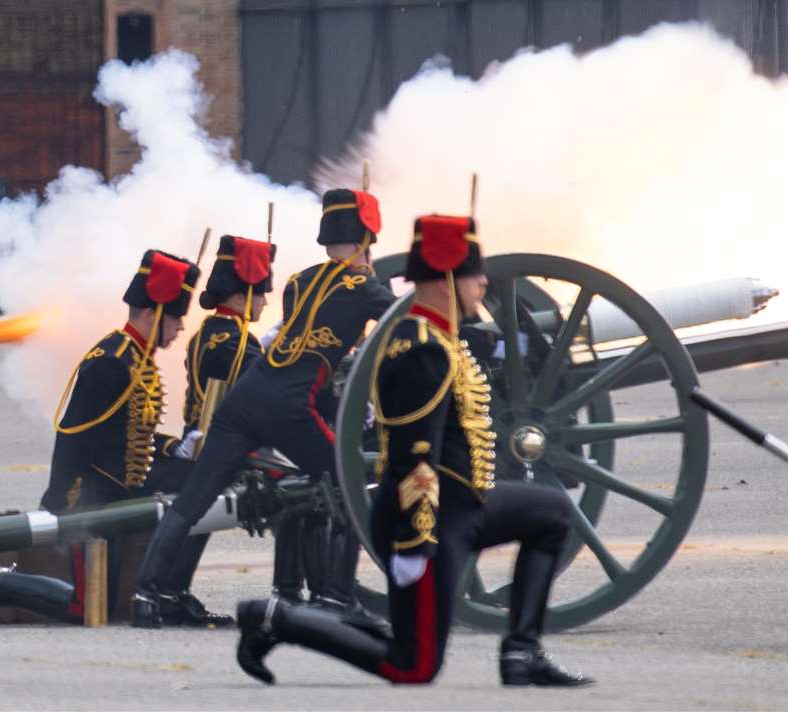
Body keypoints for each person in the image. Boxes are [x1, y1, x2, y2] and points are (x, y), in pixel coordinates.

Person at [232, 214, 593, 688]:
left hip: (465, 506)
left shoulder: (442, 339)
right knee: (413, 666)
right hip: (426, 521)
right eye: (473, 273)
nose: (484, 282)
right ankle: (275, 619)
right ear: (446, 279)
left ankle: (522, 652)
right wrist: (415, 543)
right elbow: (412, 457)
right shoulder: (420, 349)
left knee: (552, 512)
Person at [130, 188, 396, 632]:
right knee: (350, 484)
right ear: (368, 238)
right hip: (289, 407)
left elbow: (302, 349)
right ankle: (336, 596)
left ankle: (146, 594)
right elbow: (405, 325)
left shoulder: (298, 282)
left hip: (244, 401)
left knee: (191, 502)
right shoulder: (364, 287)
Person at [0, 249, 201, 625]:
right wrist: (63, 503)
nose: (179, 329)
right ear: (152, 313)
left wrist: (176, 447)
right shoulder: (110, 362)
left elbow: (130, 437)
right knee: (87, 607)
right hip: (89, 501)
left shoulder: (137, 357)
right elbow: (73, 438)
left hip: (118, 496)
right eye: (176, 319)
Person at [131, 233, 276, 629]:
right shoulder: (233, 342)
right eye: (261, 291)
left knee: (200, 511)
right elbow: (266, 393)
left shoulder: (215, 334)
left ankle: (172, 590)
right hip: (223, 444)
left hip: (206, 438)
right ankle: (166, 590)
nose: (264, 300)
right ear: (241, 293)